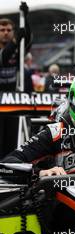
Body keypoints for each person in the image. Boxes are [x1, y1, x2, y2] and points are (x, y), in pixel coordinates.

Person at [0, 3, 32, 159]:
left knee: (11, 140)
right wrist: (15, 40)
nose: (5, 33)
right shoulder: (11, 47)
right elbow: (3, 58)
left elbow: (27, 39)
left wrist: (25, 18)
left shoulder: (17, 50)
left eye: (8, 30)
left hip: (12, 99)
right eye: (2, 30)